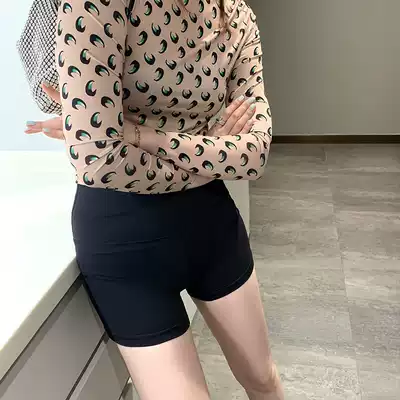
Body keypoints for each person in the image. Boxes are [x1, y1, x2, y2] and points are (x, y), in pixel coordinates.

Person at [22, 0, 284, 399]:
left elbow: (254, 153)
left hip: (211, 225)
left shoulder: (236, 16)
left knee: (264, 380)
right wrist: (210, 153)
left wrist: (140, 135)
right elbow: (98, 161)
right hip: (124, 239)